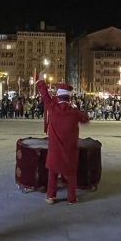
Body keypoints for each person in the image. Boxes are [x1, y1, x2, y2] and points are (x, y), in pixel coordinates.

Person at [35, 69, 89, 205]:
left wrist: (41, 80)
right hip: (71, 149)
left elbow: (45, 95)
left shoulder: (52, 108)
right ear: (69, 98)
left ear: (58, 97)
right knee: (71, 175)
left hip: (55, 148)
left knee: (52, 173)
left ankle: (51, 196)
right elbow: (85, 119)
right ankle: (71, 198)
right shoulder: (75, 112)